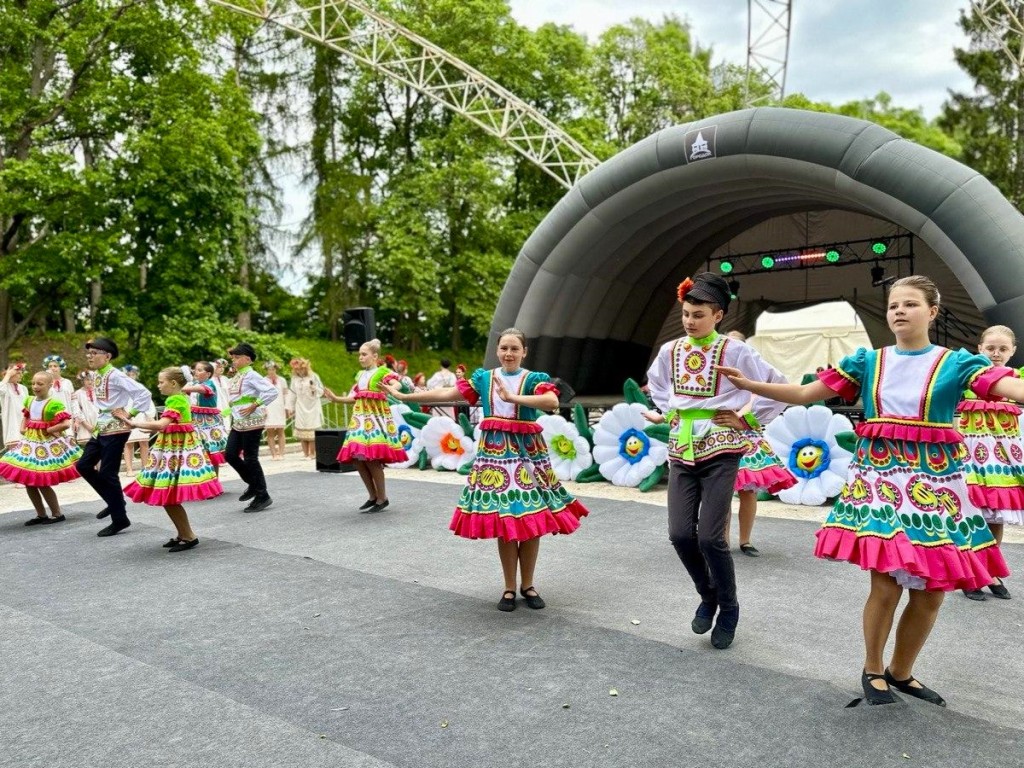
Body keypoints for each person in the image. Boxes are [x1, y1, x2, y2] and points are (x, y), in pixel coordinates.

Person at [718, 275, 1019, 706]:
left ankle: (902, 671)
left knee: (932, 591)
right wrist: (749, 385)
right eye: (894, 304)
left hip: (937, 490)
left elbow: (1010, 389)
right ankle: (873, 669)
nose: (899, 311)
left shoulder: (956, 364)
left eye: (910, 304)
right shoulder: (868, 362)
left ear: (932, 312)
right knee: (885, 584)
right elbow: (805, 393)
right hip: (881, 485)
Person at [386, 328, 589, 612]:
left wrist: (513, 398)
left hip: (528, 454)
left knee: (532, 517)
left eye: (514, 349)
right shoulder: (484, 378)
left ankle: (528, 584)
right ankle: (509, 587)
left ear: (524, 352)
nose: (509, 353)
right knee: (504, 518)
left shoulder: (533, 378)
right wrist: (405, 395)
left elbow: (552, 402)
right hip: (495, 455)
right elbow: (448, 392)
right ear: (497, 350)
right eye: (504, 348)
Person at [644, 274, 787, 650]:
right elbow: (656, 384)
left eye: (699, 314)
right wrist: (671, 412)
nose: (690, 321)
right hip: (681, 450)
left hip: (722, 449)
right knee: (678, 534)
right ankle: (709, 595)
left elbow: (776, 383)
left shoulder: (736, 352)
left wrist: (749, 419)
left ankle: (729, 606)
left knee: (711, 537)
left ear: (719, 315)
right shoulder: (670, 351)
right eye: (687, 314)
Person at [955, 324, 1024, 601]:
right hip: (970, 456)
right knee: (973, 516)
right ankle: (971, 574)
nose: (996, 353)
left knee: (996, 517)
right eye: (991, 348)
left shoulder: (1017, 380)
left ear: (1013, 352)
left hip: (1004, 459)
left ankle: (990, 571)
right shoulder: (969, 378)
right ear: (980, 349)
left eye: (1003, 349)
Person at [124, 367, 223, 551]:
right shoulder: (180, 398)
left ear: (173, 383)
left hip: (175, 451)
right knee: (168, 495)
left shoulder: (175, 399)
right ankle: (182, 533)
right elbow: (171, 424)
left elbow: (162, 424)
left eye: (161, 382)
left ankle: (188, 536)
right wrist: (151, 428)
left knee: (168, 494)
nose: (158, 385)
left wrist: (135, 423)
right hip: (172, 448)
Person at [722, 330, 797, 557]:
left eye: (738, 345)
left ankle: (745, 541)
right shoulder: (715, 376)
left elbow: (777, 396)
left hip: (747, 441)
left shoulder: (755, 378)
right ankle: (720, 541)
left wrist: (746, 421)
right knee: (720, 492)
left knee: (748, 492)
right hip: (719, 438)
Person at [75, 337, 154, 537]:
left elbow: (143, 393)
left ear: (107, 356)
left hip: (117, 428)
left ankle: (120, 518)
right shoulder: (97, 374)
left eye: (94, 353)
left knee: (107, 473)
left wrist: (131, 414)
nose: (90, 357)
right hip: (101, 427)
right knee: (83, 465)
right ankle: (114, 501)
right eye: (89, 353)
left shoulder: (116, 375)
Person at [323, 339, 407, 513]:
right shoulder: (360, 375)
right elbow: (354, 396)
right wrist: (336, 399)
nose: (360, 357)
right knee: (357, 458)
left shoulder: (383, 371)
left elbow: (397, 383)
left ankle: (382, 498)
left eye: (364, 354)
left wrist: (392, 389)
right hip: (360, 419)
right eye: (359, 354)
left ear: (375, 356)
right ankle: (373, 496)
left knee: (372, 458)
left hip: (376, 418)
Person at [0, 370, 82, 525]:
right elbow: (26, 416)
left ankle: (57, 513)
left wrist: (50, 430)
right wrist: (23, 428)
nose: (35, 386)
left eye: (40, 384)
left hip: (46, 446)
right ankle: (41, 514)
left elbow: (65, 423)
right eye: (33, 383)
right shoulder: (29, 401)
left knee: (42, 481)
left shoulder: (53, 404)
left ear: (49, 385)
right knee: (28, 481)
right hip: (29, 444)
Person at [224, 342, 279, 512]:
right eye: (232, 357)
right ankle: (255, 485)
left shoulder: (252, 375)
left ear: (248, 359)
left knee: (250, 458)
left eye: (237, 357)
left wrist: (256, 404)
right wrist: (225, 412)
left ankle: (262, 494)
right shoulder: (236, 376)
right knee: (230, 455)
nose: (234, 360)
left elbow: (271, 391)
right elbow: (236, 399)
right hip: (239, 421)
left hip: (253, 421)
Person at [182, 361, 227, 475]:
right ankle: (205, 480)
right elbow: (186, 389)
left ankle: (214, 480)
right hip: (196, 421)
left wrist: (190, 379)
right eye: (195, 370)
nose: (195, 372)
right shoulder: (196, 384)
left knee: (211, 451)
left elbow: (186, 389)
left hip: (209, 423)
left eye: (199, 370)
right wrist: (192, 379)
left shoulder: (209, 384)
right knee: (199, 451)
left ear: (208, 374)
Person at [120, 364, 153, 476]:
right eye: (128, 374)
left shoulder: (140, 387)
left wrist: (150, 415)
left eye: (133, 374)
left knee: (143, 442)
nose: (131, 376)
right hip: (127, 416)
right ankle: (129, 469)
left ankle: (145, 468)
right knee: (128, 443)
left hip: (141, 417)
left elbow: (148, 400)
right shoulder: (121, 389)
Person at [288, 358, 324, 459]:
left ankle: (312, 453)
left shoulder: (313, 376)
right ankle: (305, 453)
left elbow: (321, 391)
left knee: (311, 430)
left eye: (301, 369)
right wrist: (290, 407)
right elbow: (292, 394)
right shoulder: (295, 379)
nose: (299, 371)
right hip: (300, 406)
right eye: (297, 370)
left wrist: (315, 388)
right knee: (302, 429)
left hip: (312, 406)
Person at [263, 361, 290, 460]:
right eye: (269, 369)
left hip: (280, 407)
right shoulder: (263, 380)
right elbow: (261, 396)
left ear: (276, 370)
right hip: (269, 407)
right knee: (270, 432)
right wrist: (263, 408)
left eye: (273, 369)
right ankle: (274, 454)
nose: (271, 371)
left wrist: (287, 407)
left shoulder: (282, 380)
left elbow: (286, 394)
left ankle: (281, 453)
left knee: (281, 430)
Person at [1, 363, 29, 448]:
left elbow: (27, 405)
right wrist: (8, 374)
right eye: (18, 373)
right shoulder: (4, 386)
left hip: (24, 423)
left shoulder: (23, 388)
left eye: (21, 373)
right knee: (14, 454)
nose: (21, 375)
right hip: (12, 424)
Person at [72, 371, 98, 444]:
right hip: (85, 422)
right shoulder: (78, 393)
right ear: (83, 381)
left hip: (98, 422)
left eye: (92, 379)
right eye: (87, 379)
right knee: (89, 446)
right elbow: (77, 410)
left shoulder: (98, 391)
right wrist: (86, 424)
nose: (90, 381)